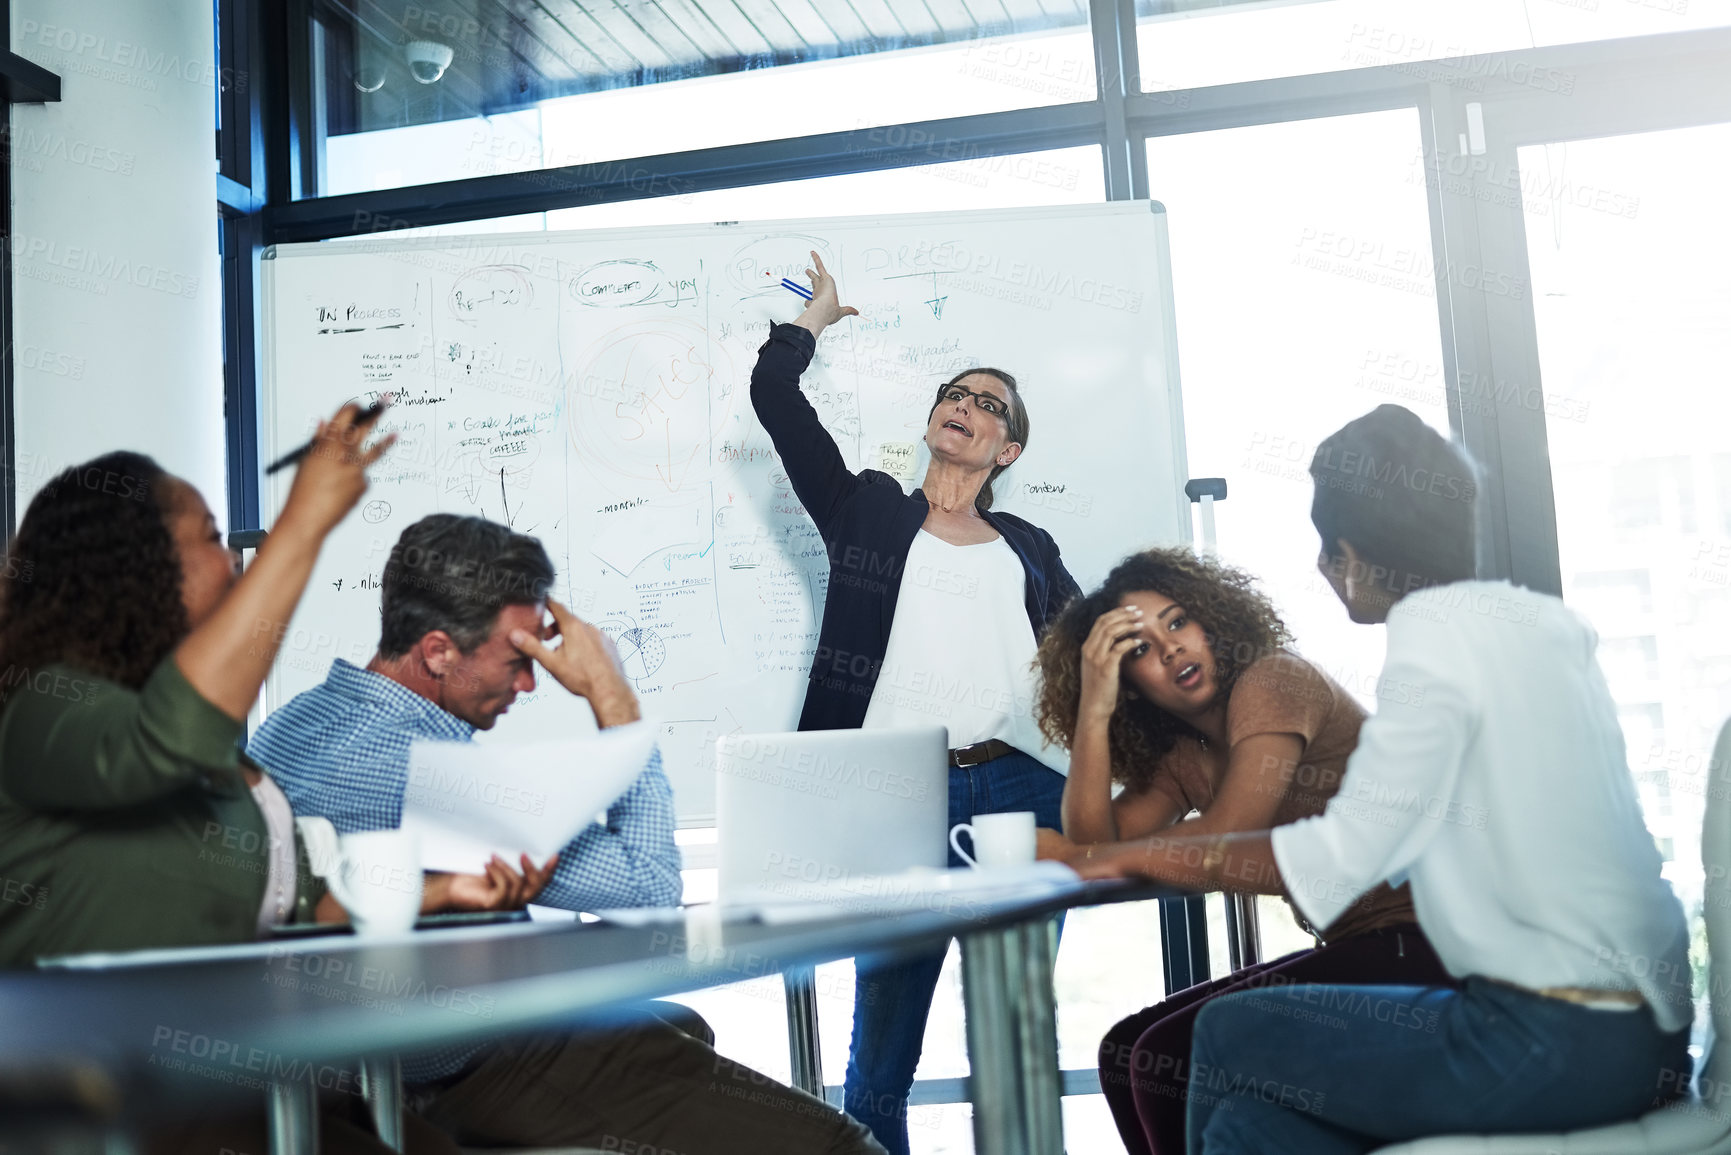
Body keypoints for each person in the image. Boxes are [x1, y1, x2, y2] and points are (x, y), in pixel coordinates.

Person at [1074, 405, 1693, 1154]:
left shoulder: (1432, 639)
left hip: (1555, 1035)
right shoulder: (1536, 625)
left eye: (1324, 550)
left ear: (1353, 555)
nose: (1321, 569)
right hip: (1636, 1030)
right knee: (1252, 1125)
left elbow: (1343, 854)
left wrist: (1126, 857)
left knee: (1225, 1029)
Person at [248, 511, 884, 1155]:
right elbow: (650, 892)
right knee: (842, 1146)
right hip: (473, 1064)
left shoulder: (294, 724)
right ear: (437, 651)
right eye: (516, 658)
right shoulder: (431, 775)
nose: (530, 683)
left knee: (681, 1026)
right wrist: (612, 695)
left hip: (360, 1062)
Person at [0, 410, 517, 1155]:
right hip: (99, 1109)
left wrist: (445, 891)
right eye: (212, 536)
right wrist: (305, 518)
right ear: (134, 568)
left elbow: (297, 902)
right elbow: (166, 738)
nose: (234, 559)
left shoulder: (213, 753)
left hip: (243, 1087)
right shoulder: (42, 710)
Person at [751, 251, 1078, 1154]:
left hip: (1022, 794)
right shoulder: (868, 509)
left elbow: (1090, 658)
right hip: (894, 797)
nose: (964, 407)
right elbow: (776, 399)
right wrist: (809, 320)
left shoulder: (1029, 542)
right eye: (955, 393)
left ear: (1006, 449)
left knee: (1014, 1034)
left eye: (988, 405)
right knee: (881, 1051)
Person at [1032, 547, 1452, 1155]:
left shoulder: (1274, 680)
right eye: (1141, 649)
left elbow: (1232, 832)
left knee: (1158, 1058)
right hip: (1364, 942)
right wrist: (1094, 710)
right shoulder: (1182, 756)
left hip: (1433, 934)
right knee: (1126, 1053)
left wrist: (1085, 858)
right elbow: (1095, 844)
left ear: (1213, 622)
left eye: (1177, 622)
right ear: (1130, 682)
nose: (1171, 648)